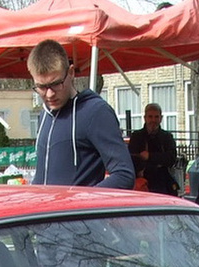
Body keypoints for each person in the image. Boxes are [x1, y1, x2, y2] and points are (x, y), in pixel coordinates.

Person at [27, 40, 134, 189]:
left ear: (71, 73)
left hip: (76, 211)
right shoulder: (44, 115)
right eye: (42, 87)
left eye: (57, 84)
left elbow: (124, 175)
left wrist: (80, 202)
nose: (50, 94)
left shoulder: (95, 112)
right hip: (45, 211)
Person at [127, 103, 179, 195]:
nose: (153, 120)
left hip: (163, 182)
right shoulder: (137, 137)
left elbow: (171, 158)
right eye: (150, 117)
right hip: (143, 183)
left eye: (156, 117)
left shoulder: (166, 137)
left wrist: (150, 156)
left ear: (161, 118)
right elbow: (131, 159)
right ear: (145, 118)